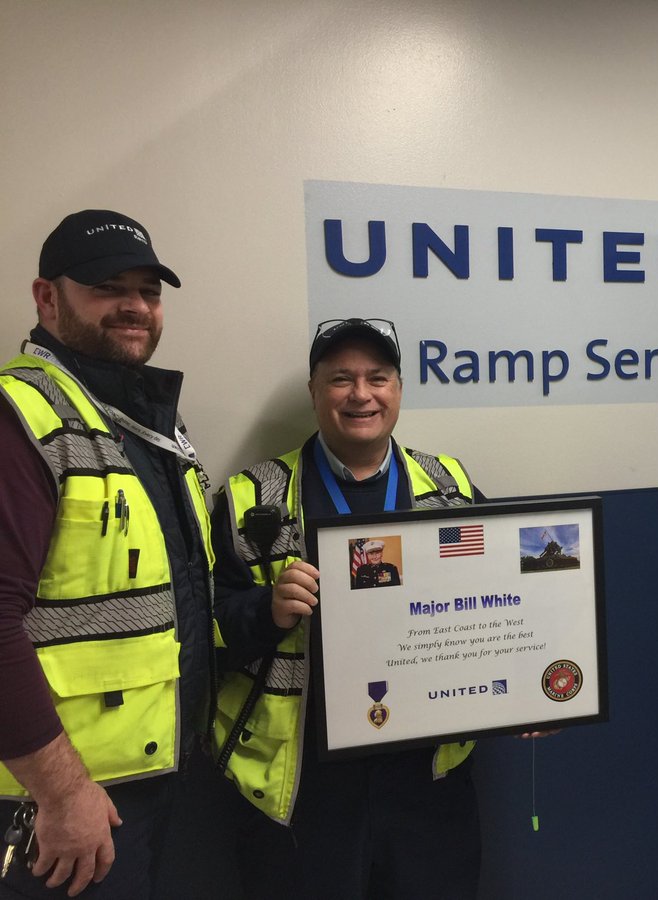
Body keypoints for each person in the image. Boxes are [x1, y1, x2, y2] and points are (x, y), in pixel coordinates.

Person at [210, 318, 484, 899]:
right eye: (341, 379)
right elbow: (205, 629)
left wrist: (529, 692)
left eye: (377, 377)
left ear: (399, 389)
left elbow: (493, 608)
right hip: (306, 784)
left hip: (425, 777)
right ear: (314, 392)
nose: (361, 394)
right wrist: (268, 609)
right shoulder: (248, 497)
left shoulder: (450, 484)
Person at [0, 210, 213, 898]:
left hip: (159, 786)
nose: (135, 307)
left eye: (149, 291)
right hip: (67, 809)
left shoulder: (147, 426)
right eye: (107, 287)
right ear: (45, 298)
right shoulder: (21, 418)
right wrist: (64, 796)